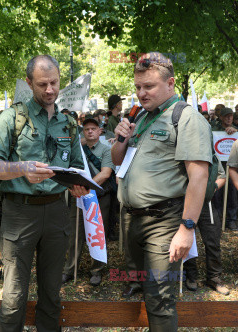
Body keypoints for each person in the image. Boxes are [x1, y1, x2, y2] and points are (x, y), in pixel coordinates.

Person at [0, 54, 88, 331]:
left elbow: (77, 167)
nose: (50, 90)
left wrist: (78, 186)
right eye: (42, 84)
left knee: (52, 292)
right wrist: (21, 168)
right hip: (19, 213)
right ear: (29, 83)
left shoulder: (68, 123)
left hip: (57, 211)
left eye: (54, 83)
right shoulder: (11, 117)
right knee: (14, 295)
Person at [112, 52, 212, 331]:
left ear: (170, 84)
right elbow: (119, 161)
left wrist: (186, 228)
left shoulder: (186, 118)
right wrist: (121, 138)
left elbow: (199, 176)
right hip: (134, 220)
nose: (141, 93)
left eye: (149, 87)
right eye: (138, 87)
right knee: (146, 288)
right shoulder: (143, 117)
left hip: (164, 221)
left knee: (159, 299)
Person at [62, 117, 115, 286]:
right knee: (74, 236)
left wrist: (86, 187)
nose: (90, 131)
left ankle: (97, 270)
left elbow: (106, 173)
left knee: (98, 234)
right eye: (86, 129)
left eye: (93, 128)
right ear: (82, 132)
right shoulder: (77, 149)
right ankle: (70, 269)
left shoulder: (106, 150)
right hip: (78, 196)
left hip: (99, 198)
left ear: (100, 131)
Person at [184, 162, 229, 295]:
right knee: (188, 240)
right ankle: (191, 276)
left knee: (213, 240)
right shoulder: (182, 152)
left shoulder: (211, 155)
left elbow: (222, 175)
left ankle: (214, 277)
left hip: (206, 204)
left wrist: (212, 188)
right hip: (186, 202)